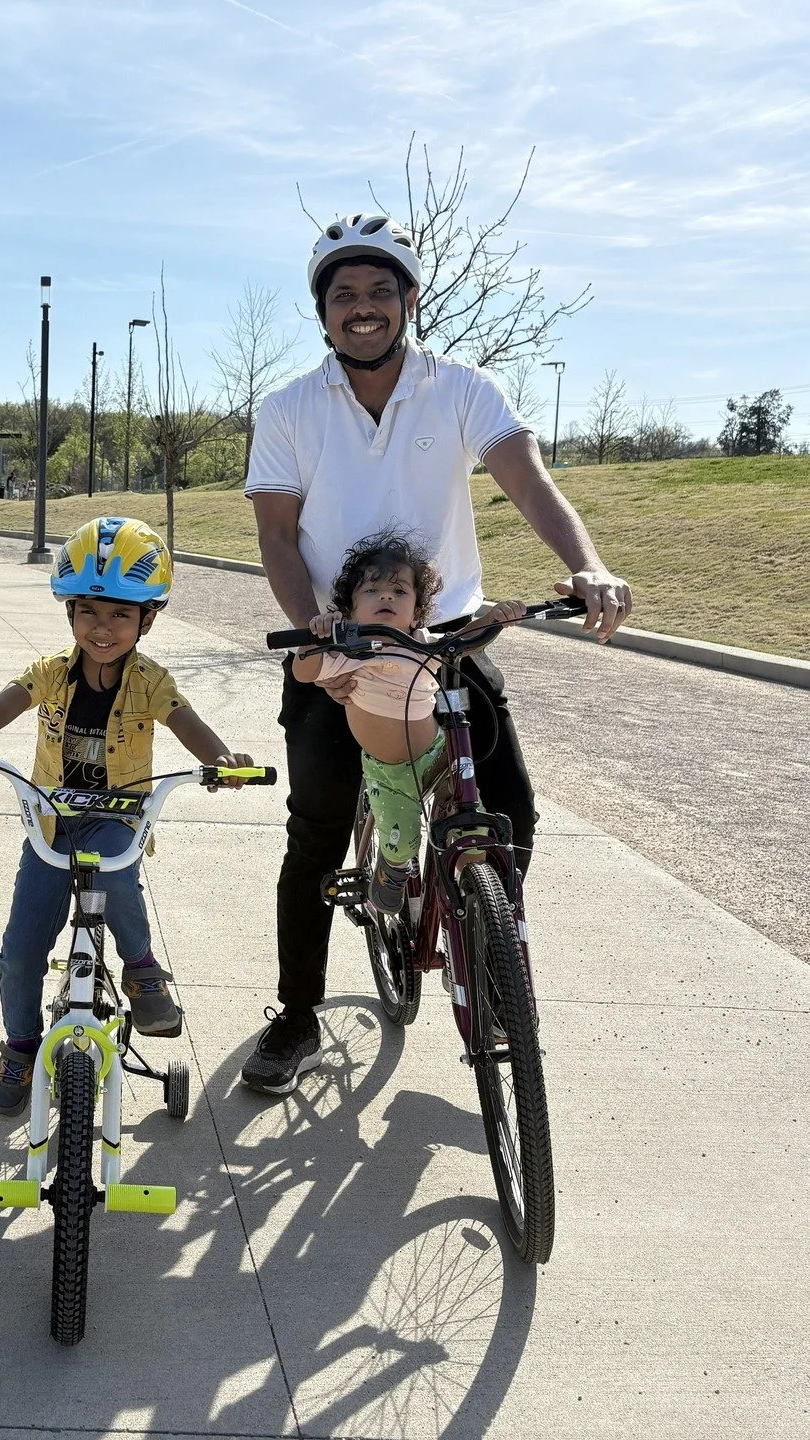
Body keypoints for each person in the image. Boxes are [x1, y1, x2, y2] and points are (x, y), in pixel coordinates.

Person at [242, 212, 633, 1096]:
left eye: (382, 291)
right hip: (338, 646)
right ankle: (298, 1016)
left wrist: (588, 564)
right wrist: (314, 630)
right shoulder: (288, 408)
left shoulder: (462, 388)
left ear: (410, 301)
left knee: (510, 813)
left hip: (445, 637)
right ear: (324, 313)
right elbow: (274, 534)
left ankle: (496, 977)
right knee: (315, 835)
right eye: (344, 295)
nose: (364, 307)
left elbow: (527, 478)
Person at [0, 516, 255, 1119]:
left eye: (121, 616)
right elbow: (6, 703)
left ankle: (143, 971)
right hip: (49, 822)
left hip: (117, 817)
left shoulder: (152, 680)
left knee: (114, 873)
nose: (103, 629)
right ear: (69, 614)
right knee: (19, 952)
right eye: (90, 614)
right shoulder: (50, 672)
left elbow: (187, 722)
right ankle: (21, 1051)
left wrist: (221, 762)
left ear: (147, 620)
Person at [291, 529, 525, 914]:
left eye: (400, 592)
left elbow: (465, 638)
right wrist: (316, 639)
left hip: (438, 758)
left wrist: (495, 620)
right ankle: (389, 871)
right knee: (401, 845)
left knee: (474, 831)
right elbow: (305, 672)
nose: (386, 596)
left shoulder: (423, 645)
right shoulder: (347, 652)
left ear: (416, 611)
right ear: (349, 610)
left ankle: (477, 907)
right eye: (372, 591)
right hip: (391, 773)